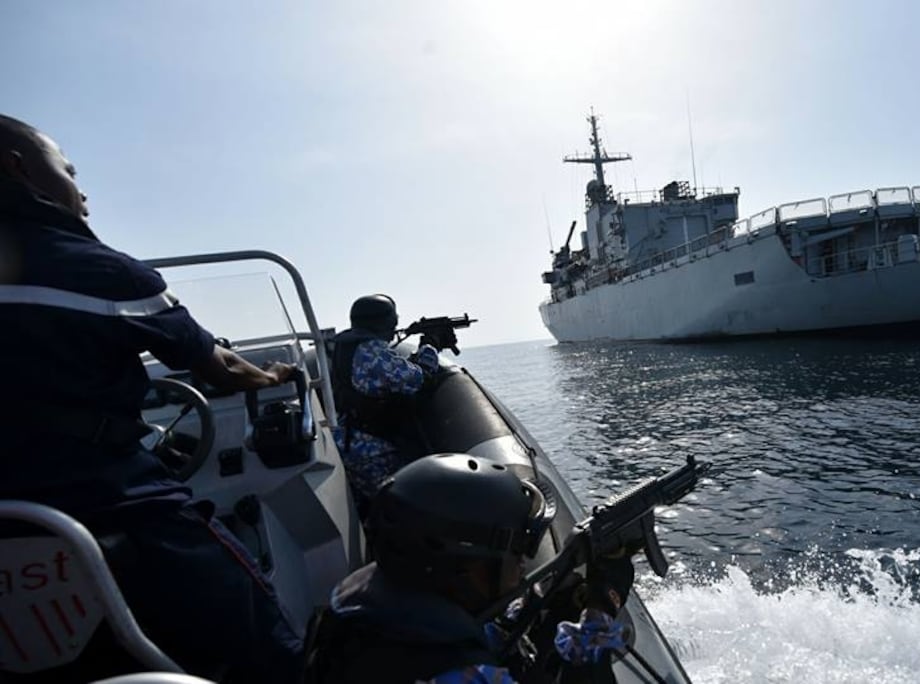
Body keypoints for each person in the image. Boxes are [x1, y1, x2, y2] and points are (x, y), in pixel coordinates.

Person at [0, 114, 302, 682]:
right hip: (107, 502)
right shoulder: (105, 275)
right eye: (67, 170)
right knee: (259, 638)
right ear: (19, 169)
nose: (80, 190)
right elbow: (224, 367)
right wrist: (273, 376)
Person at [304, 453, 635, 683]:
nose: (524, 560)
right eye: (518, 549)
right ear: (464, 568)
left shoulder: (366, 601)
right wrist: (601, 605)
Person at [330, 293, 440, 511]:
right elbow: (421, 380)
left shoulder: (347, 346)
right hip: (371, 450)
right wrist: (430, 347)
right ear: (383, 322)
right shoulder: (371, 351)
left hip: (351, 439)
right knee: (407, 504)